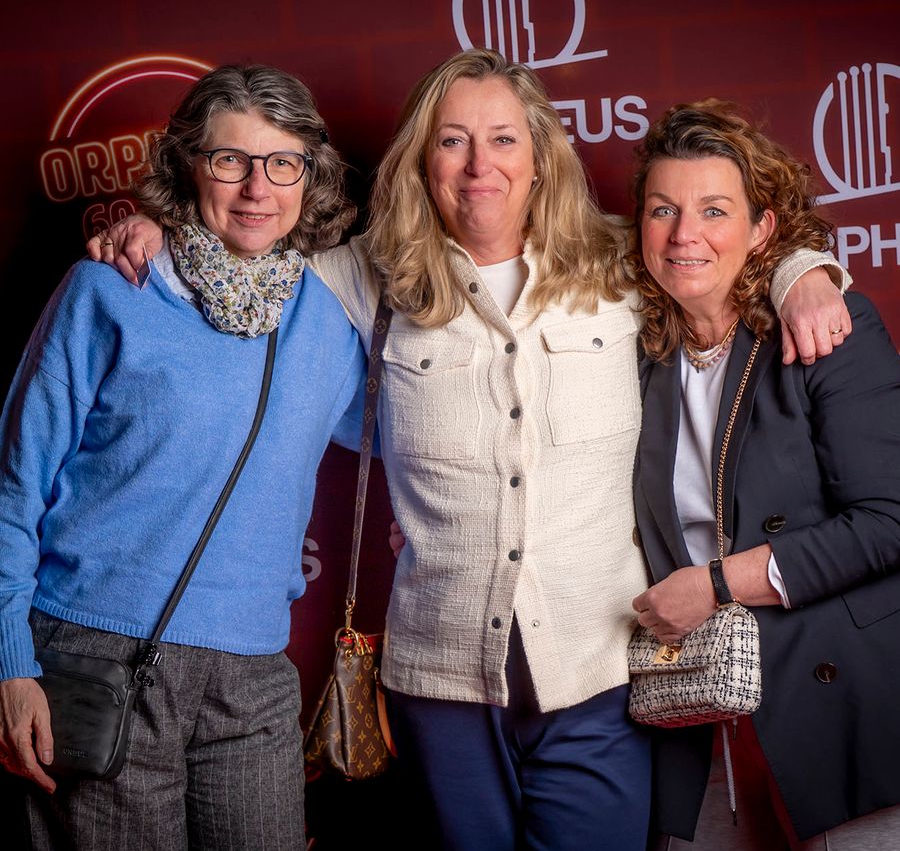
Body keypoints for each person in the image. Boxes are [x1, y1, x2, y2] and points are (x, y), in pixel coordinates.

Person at [88, 50, 851, 851]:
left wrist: (806, 273)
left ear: (540, 158)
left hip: (599, 672)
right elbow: (245, 257)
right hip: (439, 681)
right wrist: (159, 232)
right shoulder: (369, 276)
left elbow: (722, 255)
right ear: (423, 160)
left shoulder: (620, 262)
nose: (480, 164)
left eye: (503, 139)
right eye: (452, 141)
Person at [0, 64, 367, 850]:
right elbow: (13, 485)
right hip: (97, 655)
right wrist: (8, 665)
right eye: (230, 160)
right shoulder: (109, 289)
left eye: (283, 163)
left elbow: (413, 432)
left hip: (254, 675)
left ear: (311, 176)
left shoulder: (331, 319)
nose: (257, 188)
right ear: (187, 166)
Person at [629, 99, 900, 850]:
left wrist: (716, 585)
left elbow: (891, 520)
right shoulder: (632, 354)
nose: (684, 234)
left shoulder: (827, 327)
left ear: (762, 229)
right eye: (662, 210)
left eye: (715, 210)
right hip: (693, 710)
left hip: (843, 701)